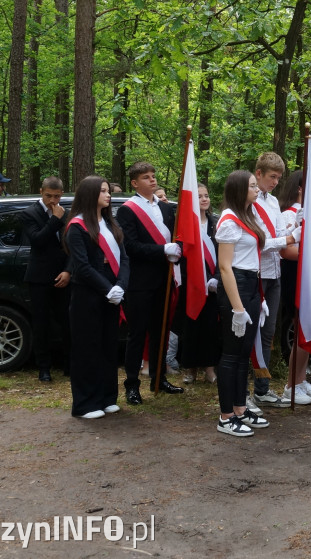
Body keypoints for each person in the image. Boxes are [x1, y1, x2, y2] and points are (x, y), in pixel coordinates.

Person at [116, 162, 184, 404]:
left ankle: (159, 378)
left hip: (165, 279)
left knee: (161, 332)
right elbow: (131, 247)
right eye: (146, 177)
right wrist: (162, 250)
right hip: (140, 282)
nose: (153, 180)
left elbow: (178, 238)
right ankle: (132, 385)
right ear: (135, 183)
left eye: (154, 176)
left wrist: (177, 250)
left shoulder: (166, 209)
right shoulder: (127, 210)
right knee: (137, 334)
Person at [63, 176, 129, 419]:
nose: (108, 195)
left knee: (108, 347)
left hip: (112, 295)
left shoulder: (111, 225)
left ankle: (106, 397)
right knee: (87, 349)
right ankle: (85, 403)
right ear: (90, 194)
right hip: (87, 297)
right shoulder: (77, 227)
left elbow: (124, 259)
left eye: (108, 191)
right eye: (103, 191)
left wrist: (120, 285)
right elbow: (82, 266)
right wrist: (107, 288)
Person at [214, 170, 270, 436]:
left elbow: (258, 252)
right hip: (235, 287)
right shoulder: (229, 220)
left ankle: (239, 408)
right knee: (231, 354)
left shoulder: (248, 215)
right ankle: (226, 416)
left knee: (243, 354)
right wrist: (237, 308)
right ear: (239, 189)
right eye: (251, 186)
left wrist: (294, 233)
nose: (257, 188)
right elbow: (225, 267)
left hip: (251, 285)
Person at [250, 153, 297, 410]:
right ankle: (244, 391)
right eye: (272, 177)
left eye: (279, 178)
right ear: (258, 174)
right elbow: (259, 242)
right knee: (251, 335)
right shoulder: (248, 201)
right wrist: (288, 240)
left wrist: (295, 230)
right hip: (256, 274)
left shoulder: (274, 202)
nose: (276, 182)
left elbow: (280, 236)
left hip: (275, 273)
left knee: (267, 334)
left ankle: (262, 389)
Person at [275, 170, 311, 405]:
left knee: (310, 328)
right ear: (300, 189)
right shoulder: (288, 215)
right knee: (300, 327)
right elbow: (285, 250)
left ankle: (301, 378)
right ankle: (290, 384)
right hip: (295, 274)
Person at [19, 176, 71, 382]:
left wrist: (68, 270)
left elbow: (70, 246)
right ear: (41, 191)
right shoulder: (29, 213)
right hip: (39, 276)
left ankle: (69, 364)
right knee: (41, 323)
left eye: (57, 196)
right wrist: (55, 219)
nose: (52, 200)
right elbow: (38, 241)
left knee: (67, 321)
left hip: (63, 275)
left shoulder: (66, 213)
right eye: (49, 195)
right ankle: (44, 367)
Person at [175, 183, 221, 385]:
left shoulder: (216, 223)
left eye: (206, 195)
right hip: (190, 283)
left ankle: (210, 368)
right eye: (199, 196)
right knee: (191, 326)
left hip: (211, 284)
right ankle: (190, 368)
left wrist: (217, 277)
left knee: (211, 327)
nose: (204, 199)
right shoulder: (184, 225)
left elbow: (223, 255)